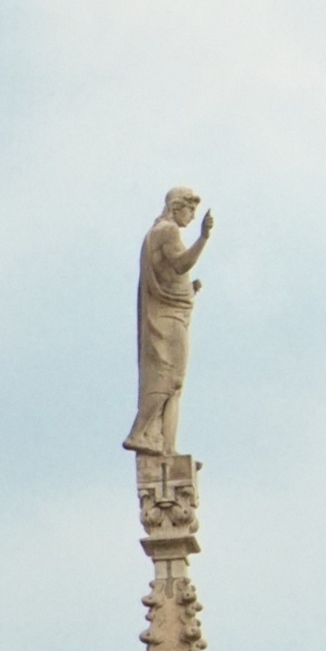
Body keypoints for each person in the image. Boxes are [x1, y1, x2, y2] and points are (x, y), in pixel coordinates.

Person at [124, 189, 212, 456]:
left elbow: (167, 275)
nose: (192, 216)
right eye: (190, 209)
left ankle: (167, 449)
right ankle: (139, 432)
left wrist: (187, 290)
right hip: (167, 319)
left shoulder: (161, 231)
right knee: (167, 378)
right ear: (177, 207)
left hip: (175, 311)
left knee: (175, 384)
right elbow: (180, 264)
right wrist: (203, 238)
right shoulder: (167, 230)